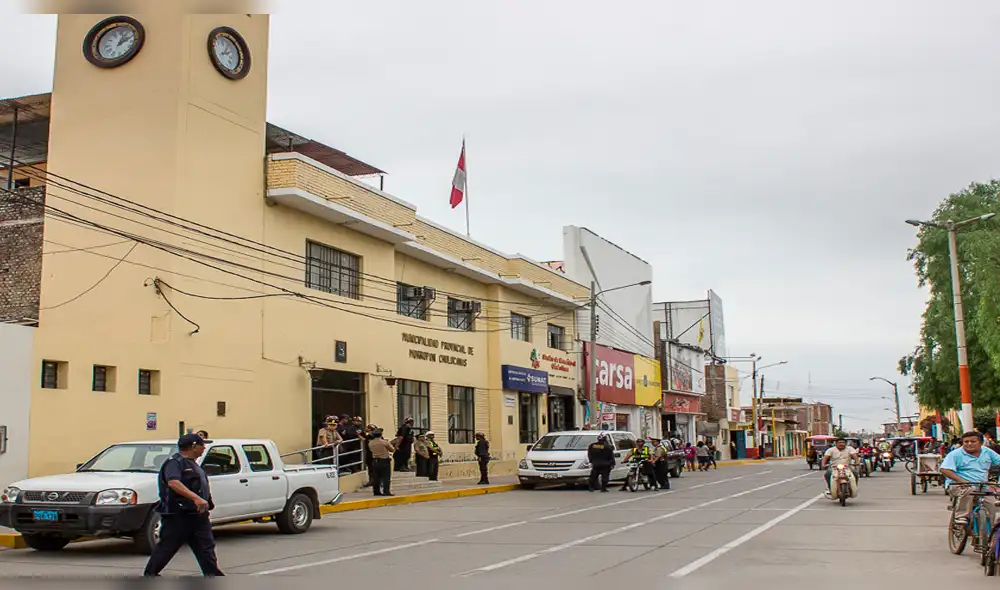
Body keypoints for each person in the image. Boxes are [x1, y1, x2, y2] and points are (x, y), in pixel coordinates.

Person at [143, 434, 223, 577]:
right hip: (178, 516)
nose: (204, 448)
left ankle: (213, 576)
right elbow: (173, 482)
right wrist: (196, 499)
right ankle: (150, 574)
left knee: (206, 549)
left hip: (198, 516)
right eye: (201, 445)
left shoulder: (194, 464)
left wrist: (207, 502)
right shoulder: (174, 463)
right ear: (193, 446)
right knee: (167, 547)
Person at [940, 431, 1000, 523]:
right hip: (959, 485)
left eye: (973, 441)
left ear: (981, 443)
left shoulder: (987, 452)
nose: (969, 444)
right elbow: (945, 469)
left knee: (995, 504)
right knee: (969, 491)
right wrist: (962, 481)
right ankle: (960, 517)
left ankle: (992, 532)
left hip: (982, 485)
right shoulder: (955, 454)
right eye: (966, 442)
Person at [367, 428, 396, 497]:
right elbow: (392, 450)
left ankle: (376, 491)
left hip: (375, 460)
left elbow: (371, 450)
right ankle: (386, 491)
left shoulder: (370, 442)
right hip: (384, 460)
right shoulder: (384, 442)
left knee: (376, 477)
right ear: (381, 434)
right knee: (386, 477)